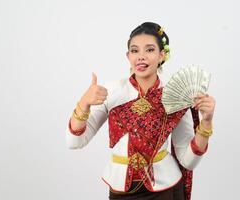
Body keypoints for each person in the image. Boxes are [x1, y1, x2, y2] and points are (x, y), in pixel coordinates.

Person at [66, 22, 216, 200]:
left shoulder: (175, 96)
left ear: (162, 55)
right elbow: (75, 142)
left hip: (164, 188)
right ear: (128, 56)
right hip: (120, 187)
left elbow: (188, 160)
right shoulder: (111, 91)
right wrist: (83, 104)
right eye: (135, 50)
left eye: (150, 50)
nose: (141, 57)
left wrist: (206, 122)